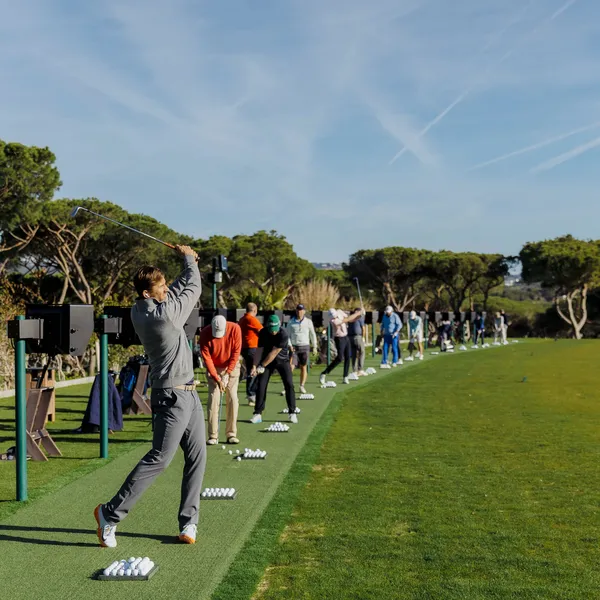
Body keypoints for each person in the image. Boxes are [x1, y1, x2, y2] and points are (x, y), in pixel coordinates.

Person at [94, 245, 205, 548]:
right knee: (159, 458)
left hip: (189, 393)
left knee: (197, 457)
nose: (166, 289)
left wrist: (188, 266)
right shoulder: (165, 316)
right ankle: (109, 513)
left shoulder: (139, 308)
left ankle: (189, 522)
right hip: (172, 397)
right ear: (147, 293)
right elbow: (192, 289)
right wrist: (189, 261)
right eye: (161, 286)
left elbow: (176, 289)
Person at [200, 315, 242, 445]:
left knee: (232, 398)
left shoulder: (235, 329)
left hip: (231, 367)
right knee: (214, 399)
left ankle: (231, 434)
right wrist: (217, 378)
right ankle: (213, 435)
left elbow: (236, 353)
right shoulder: (205, 333)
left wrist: (227, 373)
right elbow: (207, 358)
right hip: (214, 368)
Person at [250, 315, 298, 424]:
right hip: (266, 362)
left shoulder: (283, 334)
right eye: (271, 329)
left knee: (289, 384)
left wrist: (262, 366)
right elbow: (259, 350)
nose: (273, 332)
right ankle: (258, 414)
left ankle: (292, 412)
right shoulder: (263, 333)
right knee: (261, 386)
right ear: (267, 326)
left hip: (282, 361)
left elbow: (274, 353)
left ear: (279, 326)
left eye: (275, 329)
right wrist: (254, 366)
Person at [319, 307, 364, 384]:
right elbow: (346, 319)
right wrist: (358, 313)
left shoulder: (339, 311)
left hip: (346, 337)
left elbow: (350, 319)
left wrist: (359, 316)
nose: (335, 317)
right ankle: (324, 373)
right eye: (333, 317)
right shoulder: (333, 321)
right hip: (339, 339)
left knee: (347, 357)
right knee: (340, 358)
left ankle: (345, 377)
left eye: (335, 316)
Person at [286, 304, 317, 394]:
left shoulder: (308, 322)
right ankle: (287, 386)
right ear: (296, 311)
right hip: (294, 347)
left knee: (303, 367)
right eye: (298, 310)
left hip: (305, 347)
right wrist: (290, 345)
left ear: (304, 311)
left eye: (301, 310)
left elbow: (312, 334)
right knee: (291, 367)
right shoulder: (291, 322)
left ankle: (302, 386)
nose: (300, 312)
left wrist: (314, 346)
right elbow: (287, 336)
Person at [238, 303, 263, 407]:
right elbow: (262, 330)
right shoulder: (251, 319)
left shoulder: (242, 319)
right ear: (254, 310)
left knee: (249, 370)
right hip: (252, 348)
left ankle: (251, 394)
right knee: (253, 370)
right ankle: (251, 394)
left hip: (244, 348)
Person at [348, 307, 367, 376]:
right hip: (358, 337)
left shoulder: (350, 317)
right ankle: (360, 370)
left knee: (354, 354)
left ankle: (354, 371)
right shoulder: (360, 317)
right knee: (362, 352)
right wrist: (363, 337)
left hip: (350, 337)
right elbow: (363, 328)